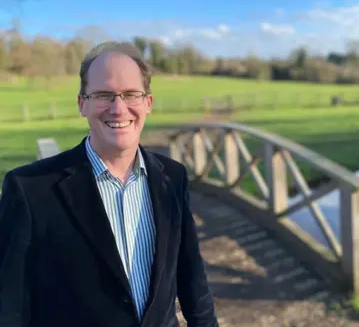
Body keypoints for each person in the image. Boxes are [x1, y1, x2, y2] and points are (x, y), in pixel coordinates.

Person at [0, 41, 219, 327]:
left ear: (148, 103)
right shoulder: (30, 189)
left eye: (131, 94)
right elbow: (9, 305)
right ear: (82, 104)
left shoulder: (173, 176)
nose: (118, 108)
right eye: (104, 95)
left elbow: (192, 278)